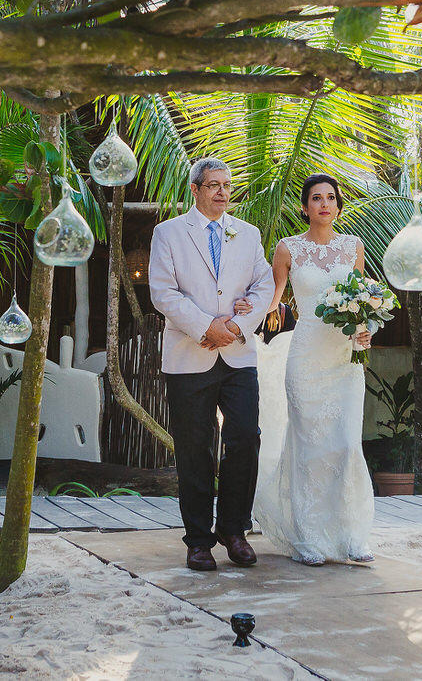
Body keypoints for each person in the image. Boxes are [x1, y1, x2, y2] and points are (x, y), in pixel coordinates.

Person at [147, 157, 273, 572]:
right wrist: (206, 326)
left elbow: (264, 285)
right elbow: (163, 293)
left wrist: (235, 326)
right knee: (195, 448)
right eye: (214, 184)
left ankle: (234, 531)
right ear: (195, 189)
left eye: (227, 185)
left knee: (245, 438)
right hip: (189, 354)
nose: (222, 192)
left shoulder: (248, 233)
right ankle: (199, 540)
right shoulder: (167, 234)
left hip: (238, 355)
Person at [252, 173, 376, 566]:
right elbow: (271, 300)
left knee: (345, 445)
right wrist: (242, 312)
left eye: (331, 198)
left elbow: (360, 300)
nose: (324, 204)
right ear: (305, 207)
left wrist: (365, 330)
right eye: (316, 198)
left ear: (339, 206)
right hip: (305, 357)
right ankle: (306, 536)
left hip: (343, 358)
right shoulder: (287, 249)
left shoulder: (353, 247)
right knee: (308, 449)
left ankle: (351, 534)